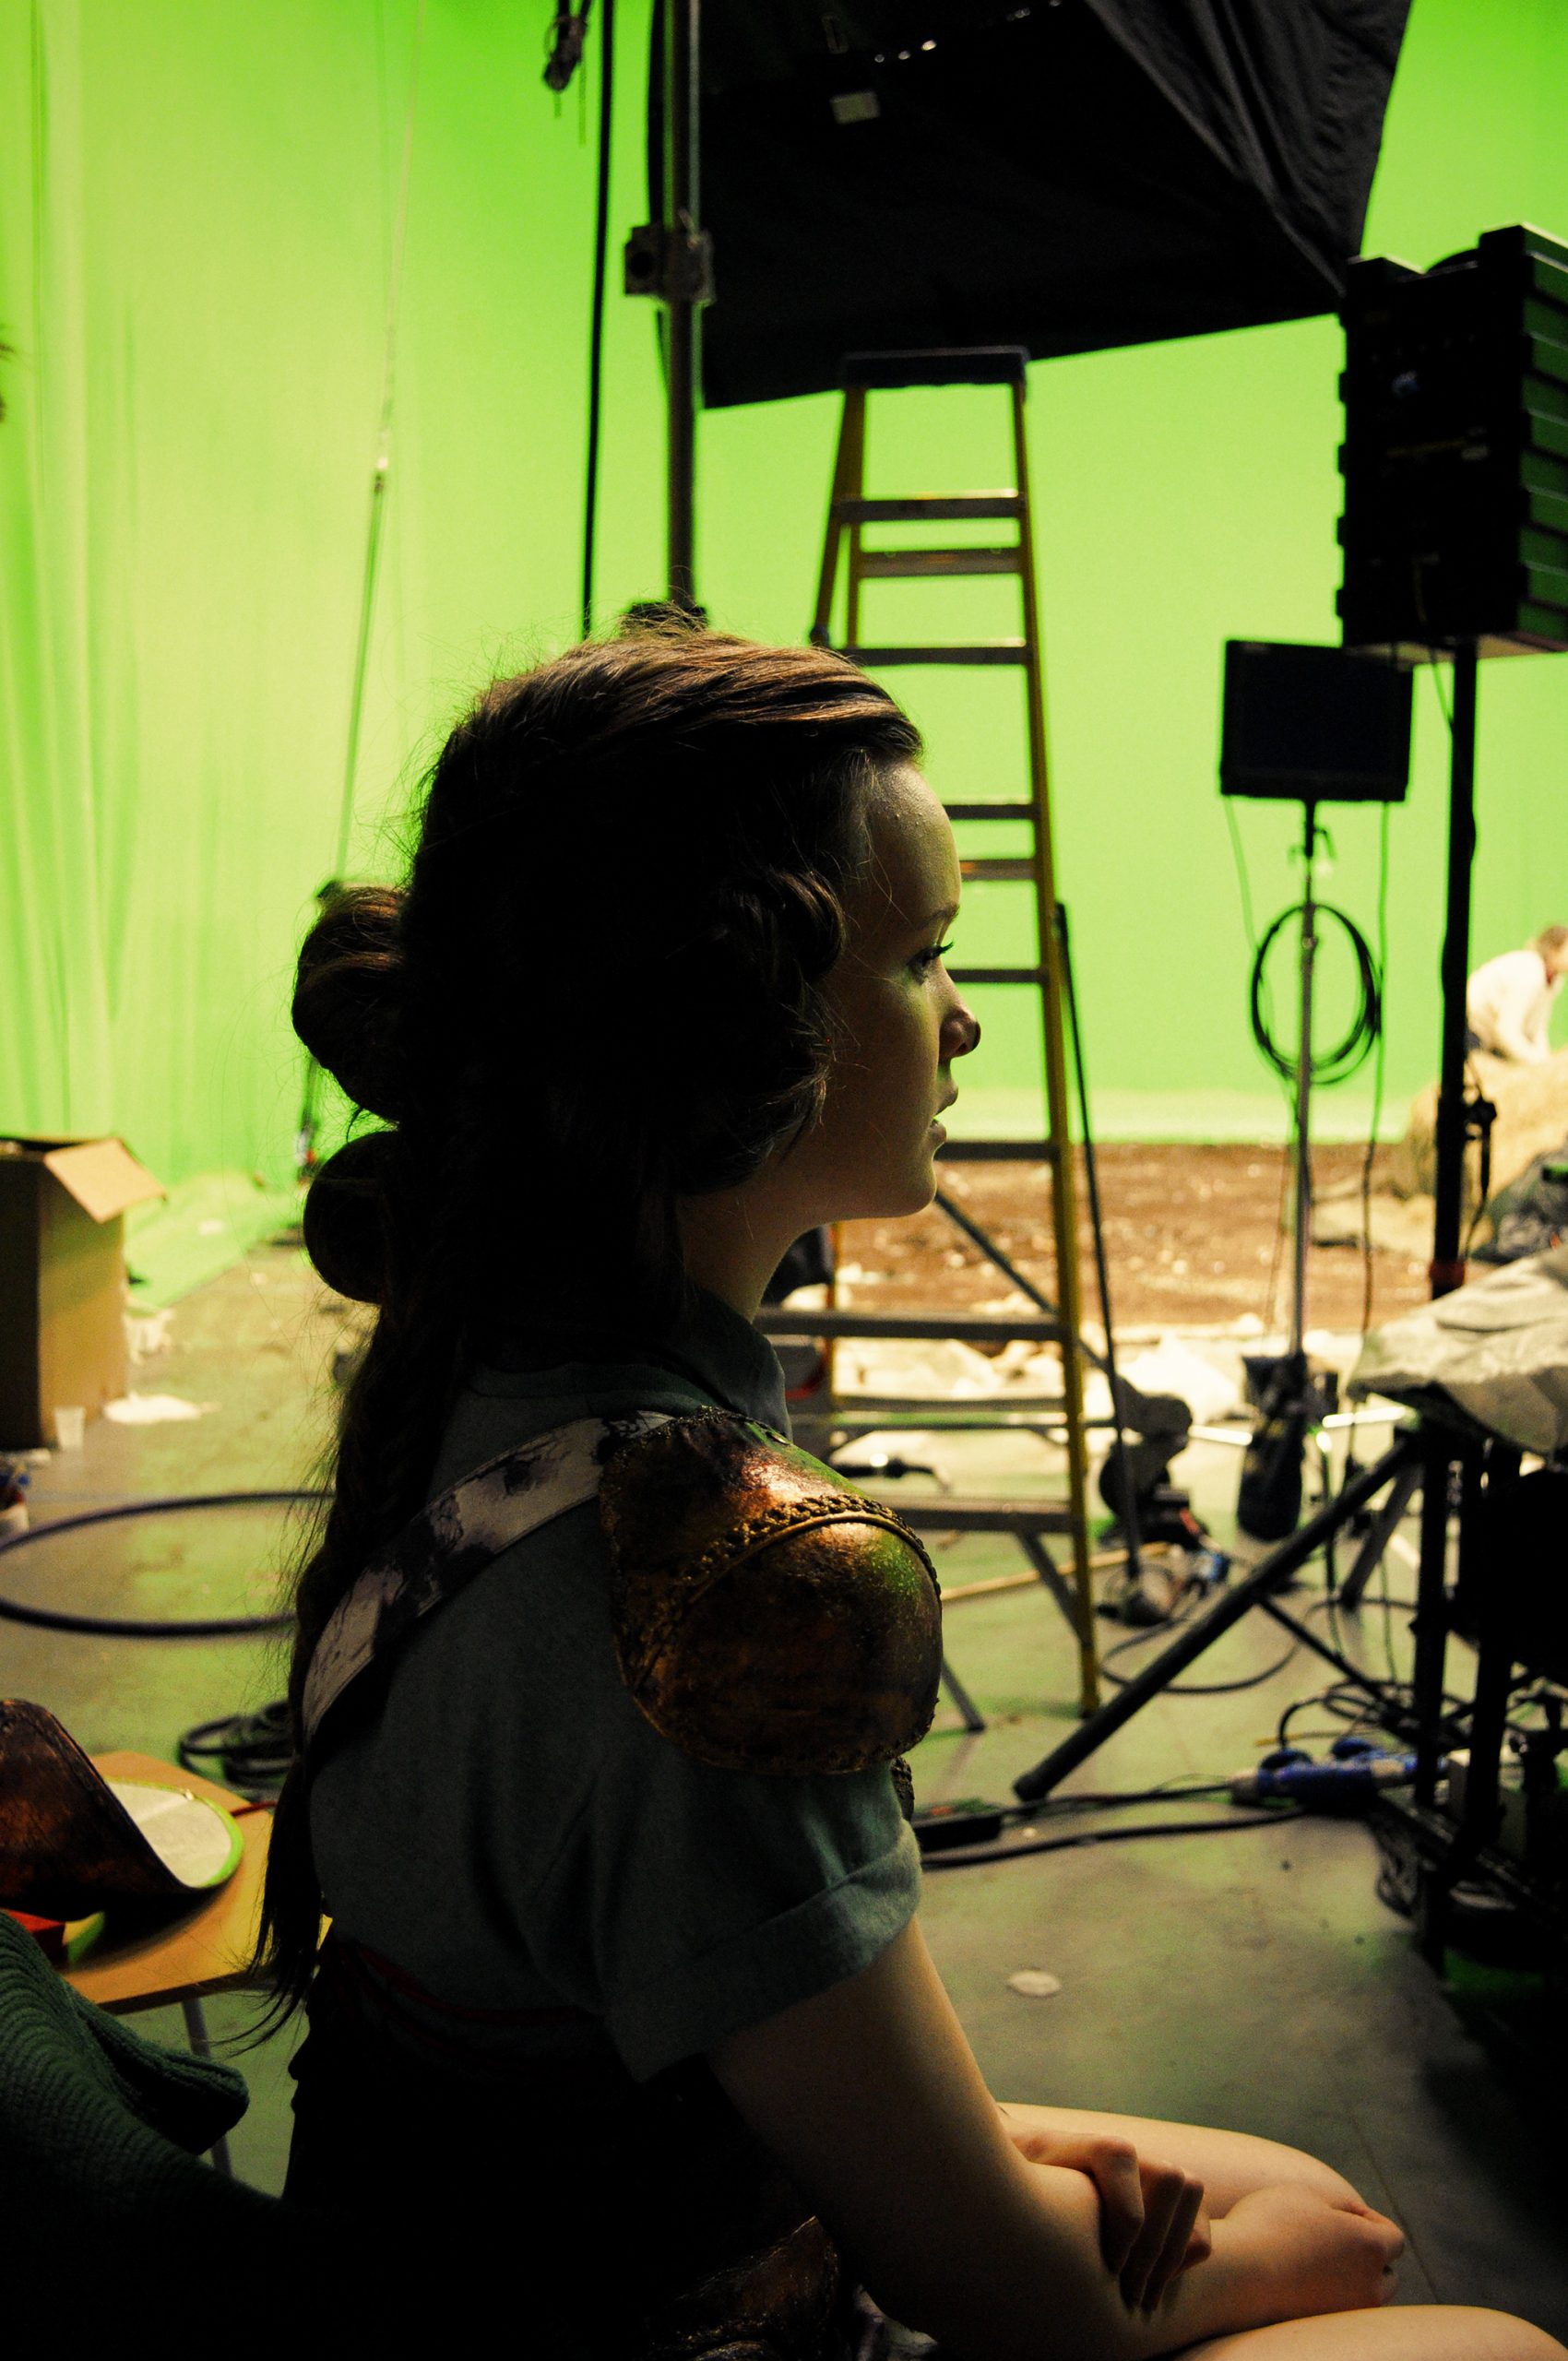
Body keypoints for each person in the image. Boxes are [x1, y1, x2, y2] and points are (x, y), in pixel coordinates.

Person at [240, 622, 1563, 2361]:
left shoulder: (468, 1379)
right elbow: (1007, 2295)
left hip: (527, 2249)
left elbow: (651, 2060)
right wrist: (1278, 2261)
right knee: (1444, 2307)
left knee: (1273, 2192)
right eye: (924, 956)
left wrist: (1018, 2166)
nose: (966, 1017)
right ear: (728, 1023)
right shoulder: (741, 1586)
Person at [1466, 926, 1568, 1062]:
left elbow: (1536, 1029)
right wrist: (1539, 1063)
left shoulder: (1554, 981)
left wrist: (1545, 1061)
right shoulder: (1530, 973)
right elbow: (1507, 1030)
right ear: (1553, 951)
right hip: (1472, 1027)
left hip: (1493, 1036)